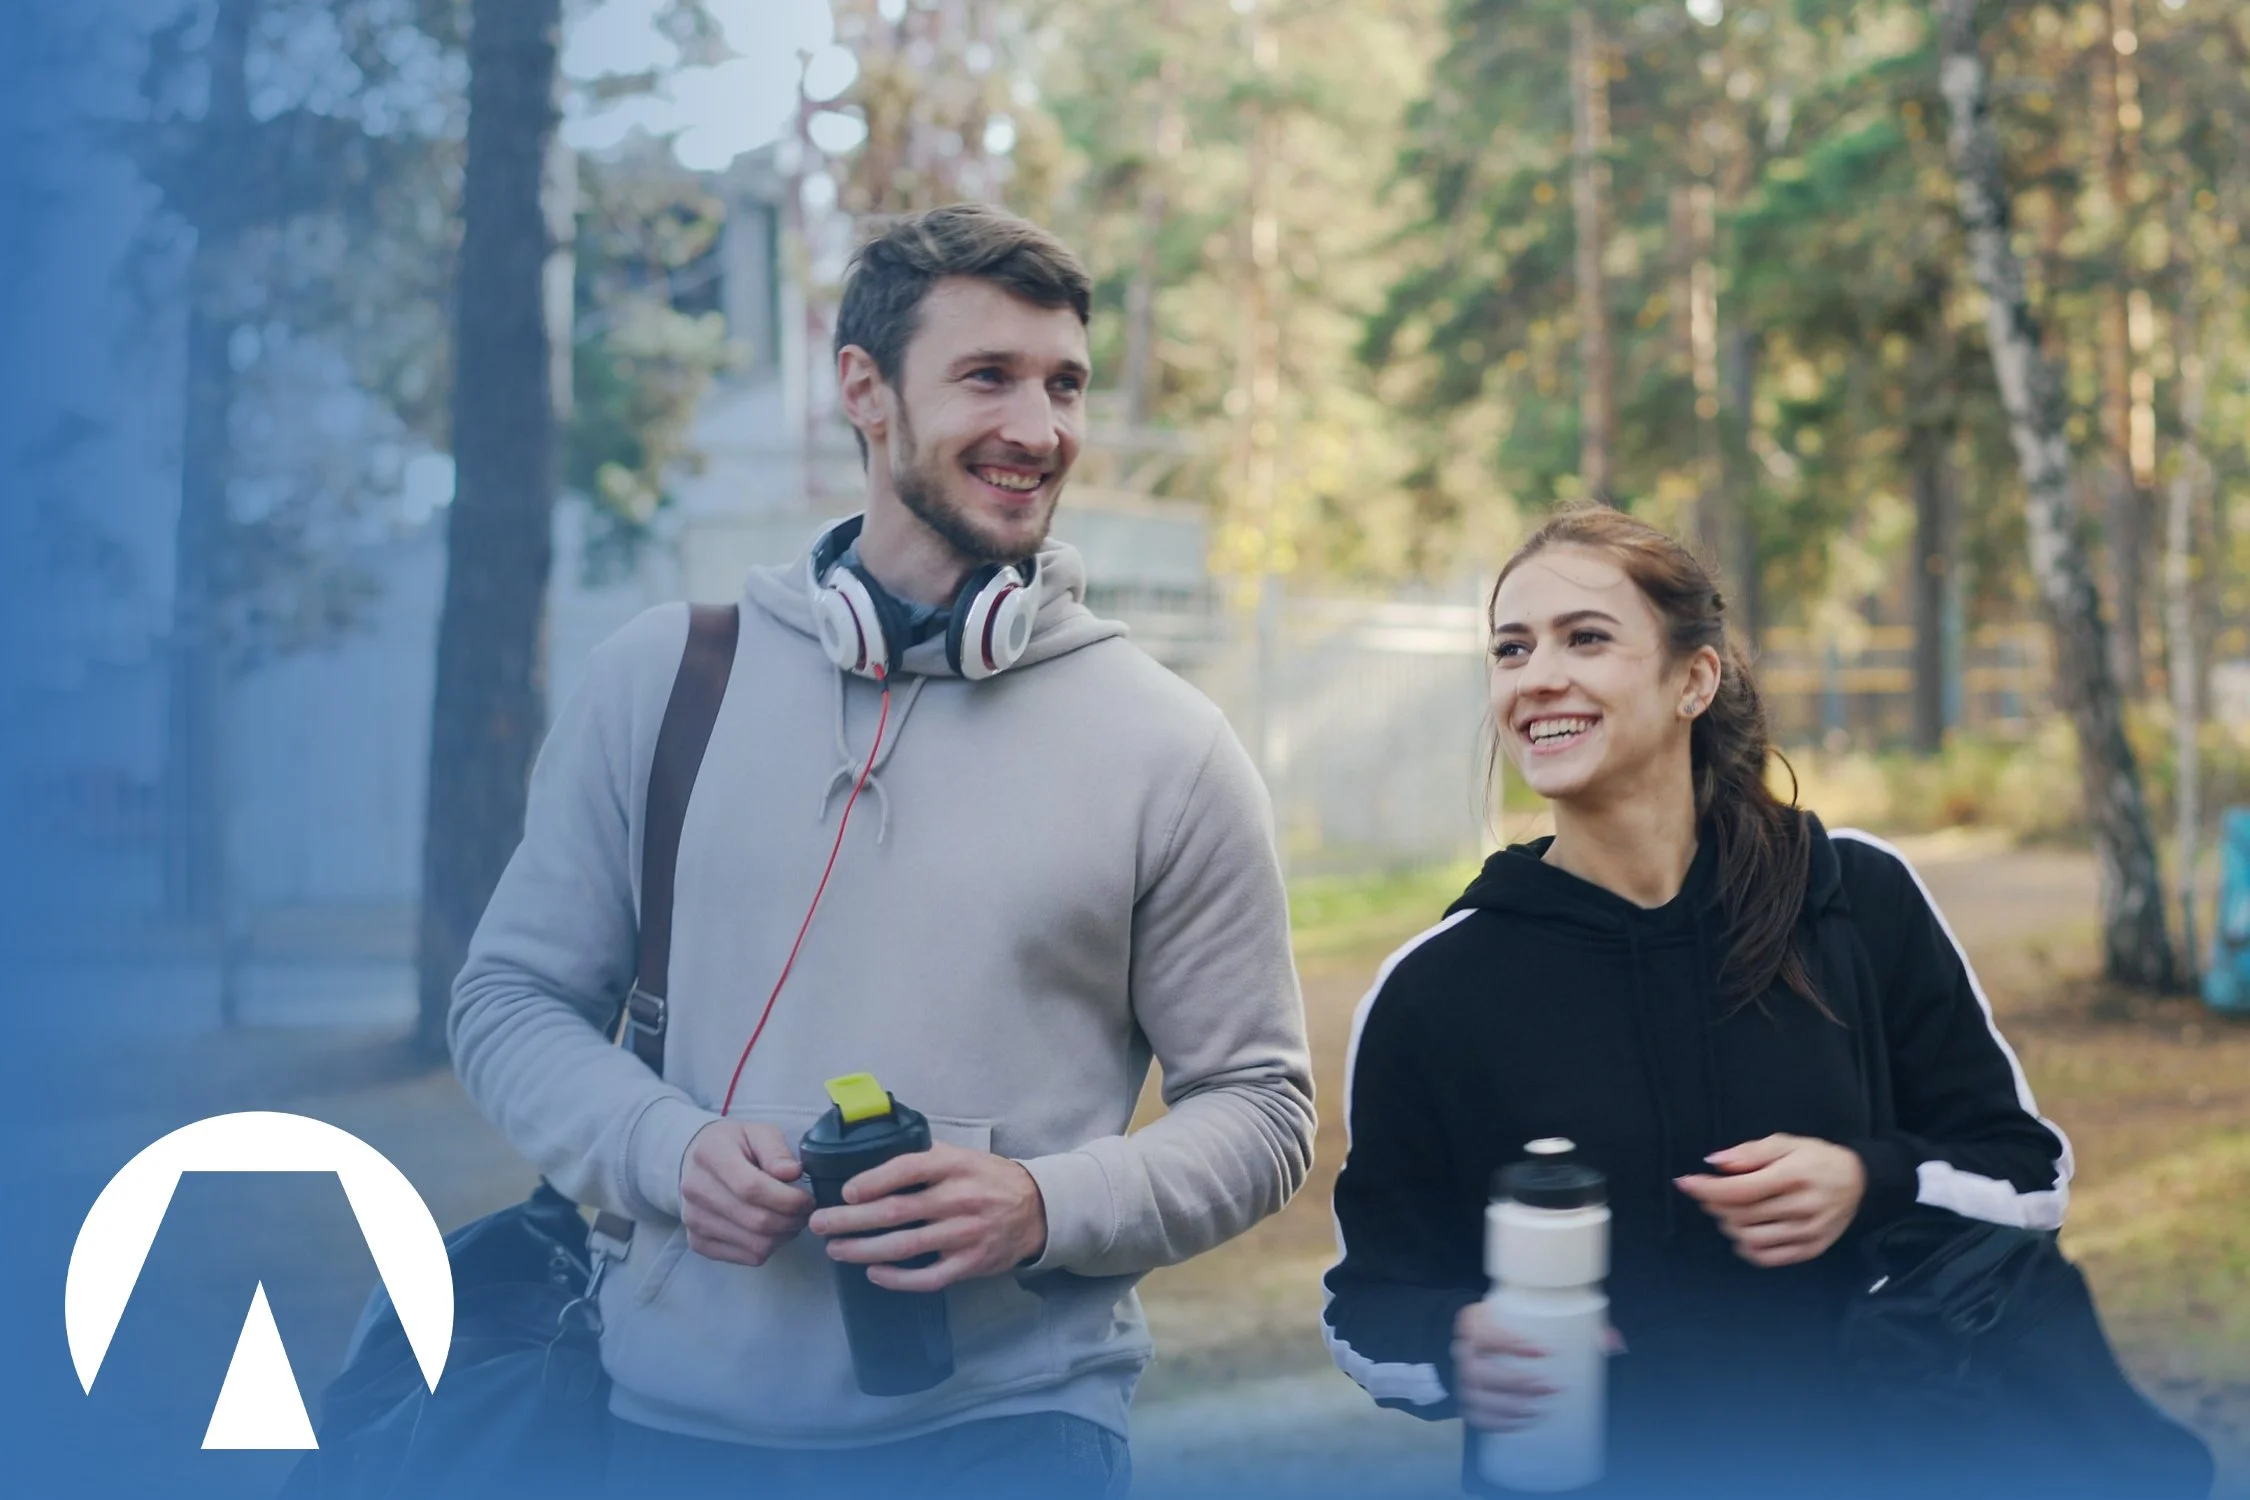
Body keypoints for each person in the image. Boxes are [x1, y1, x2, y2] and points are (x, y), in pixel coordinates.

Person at [451, 203, 1314, 1500]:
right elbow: (508, 1000)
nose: (1040, 430)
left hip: (1021, 1446)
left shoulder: (1170, 746)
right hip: (661, 1438)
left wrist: (1046, 1205)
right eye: (988, 377)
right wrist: (660, 1147)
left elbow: (1261, 1108)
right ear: (862, 389)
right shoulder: (661, 684)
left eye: (1064, 384)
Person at [1320, 505, 2071, 1497]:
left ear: (1693, 679)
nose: (1538, 674)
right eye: (1512, 648)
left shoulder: (1851, 901)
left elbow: (2031, 1177)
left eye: (1586, 637)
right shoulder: (1435, 991)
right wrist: (1453, 1340)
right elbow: (1367, 1306)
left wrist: (1868, 1181)